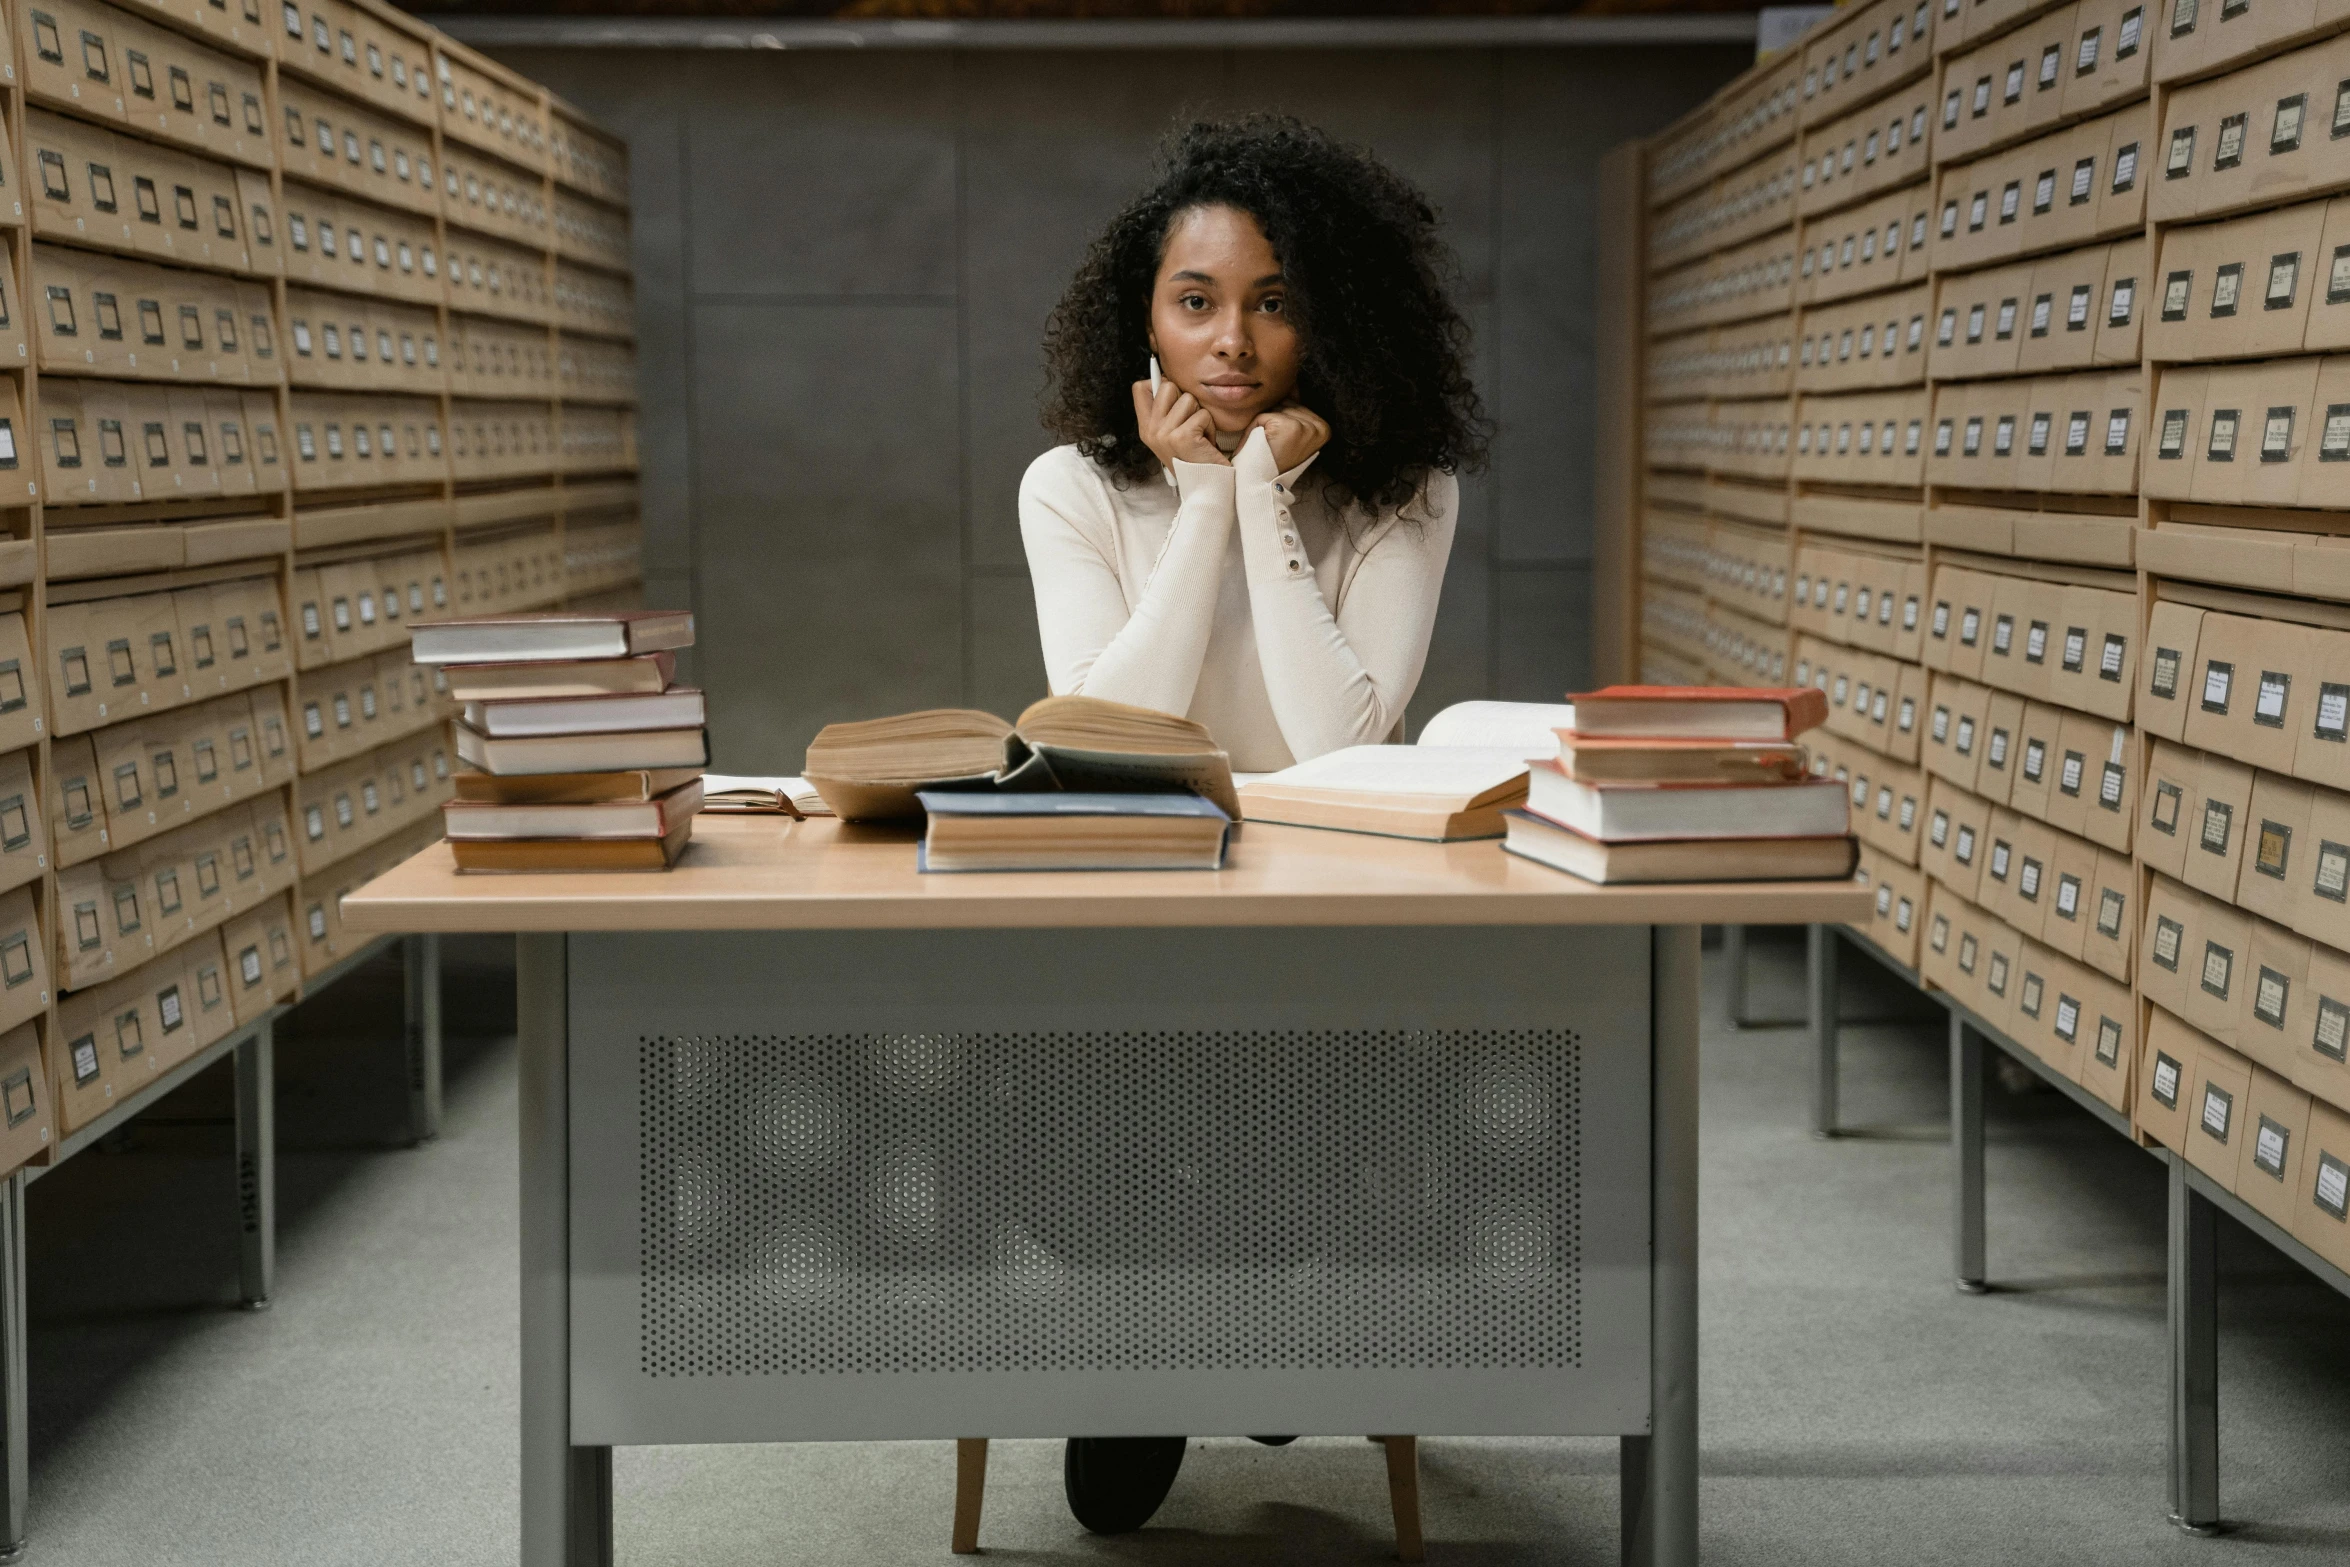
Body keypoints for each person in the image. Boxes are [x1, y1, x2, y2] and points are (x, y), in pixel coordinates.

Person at [1011, 112, 1490, 1535]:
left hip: (1324, 948)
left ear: (1326, 320)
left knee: (1309, 1132)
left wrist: (1261, 497)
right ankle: (1213, 1333)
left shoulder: (1400, 494)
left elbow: (1333, 738)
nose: (1231, 340)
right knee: (1047, 1143)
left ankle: (1158, 1347)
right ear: (1142, 322)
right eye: (1196, 301)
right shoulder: (1075, 486)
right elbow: (1105, 730)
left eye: (1273, 303)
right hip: (1117, 934)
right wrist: (1201, 503)